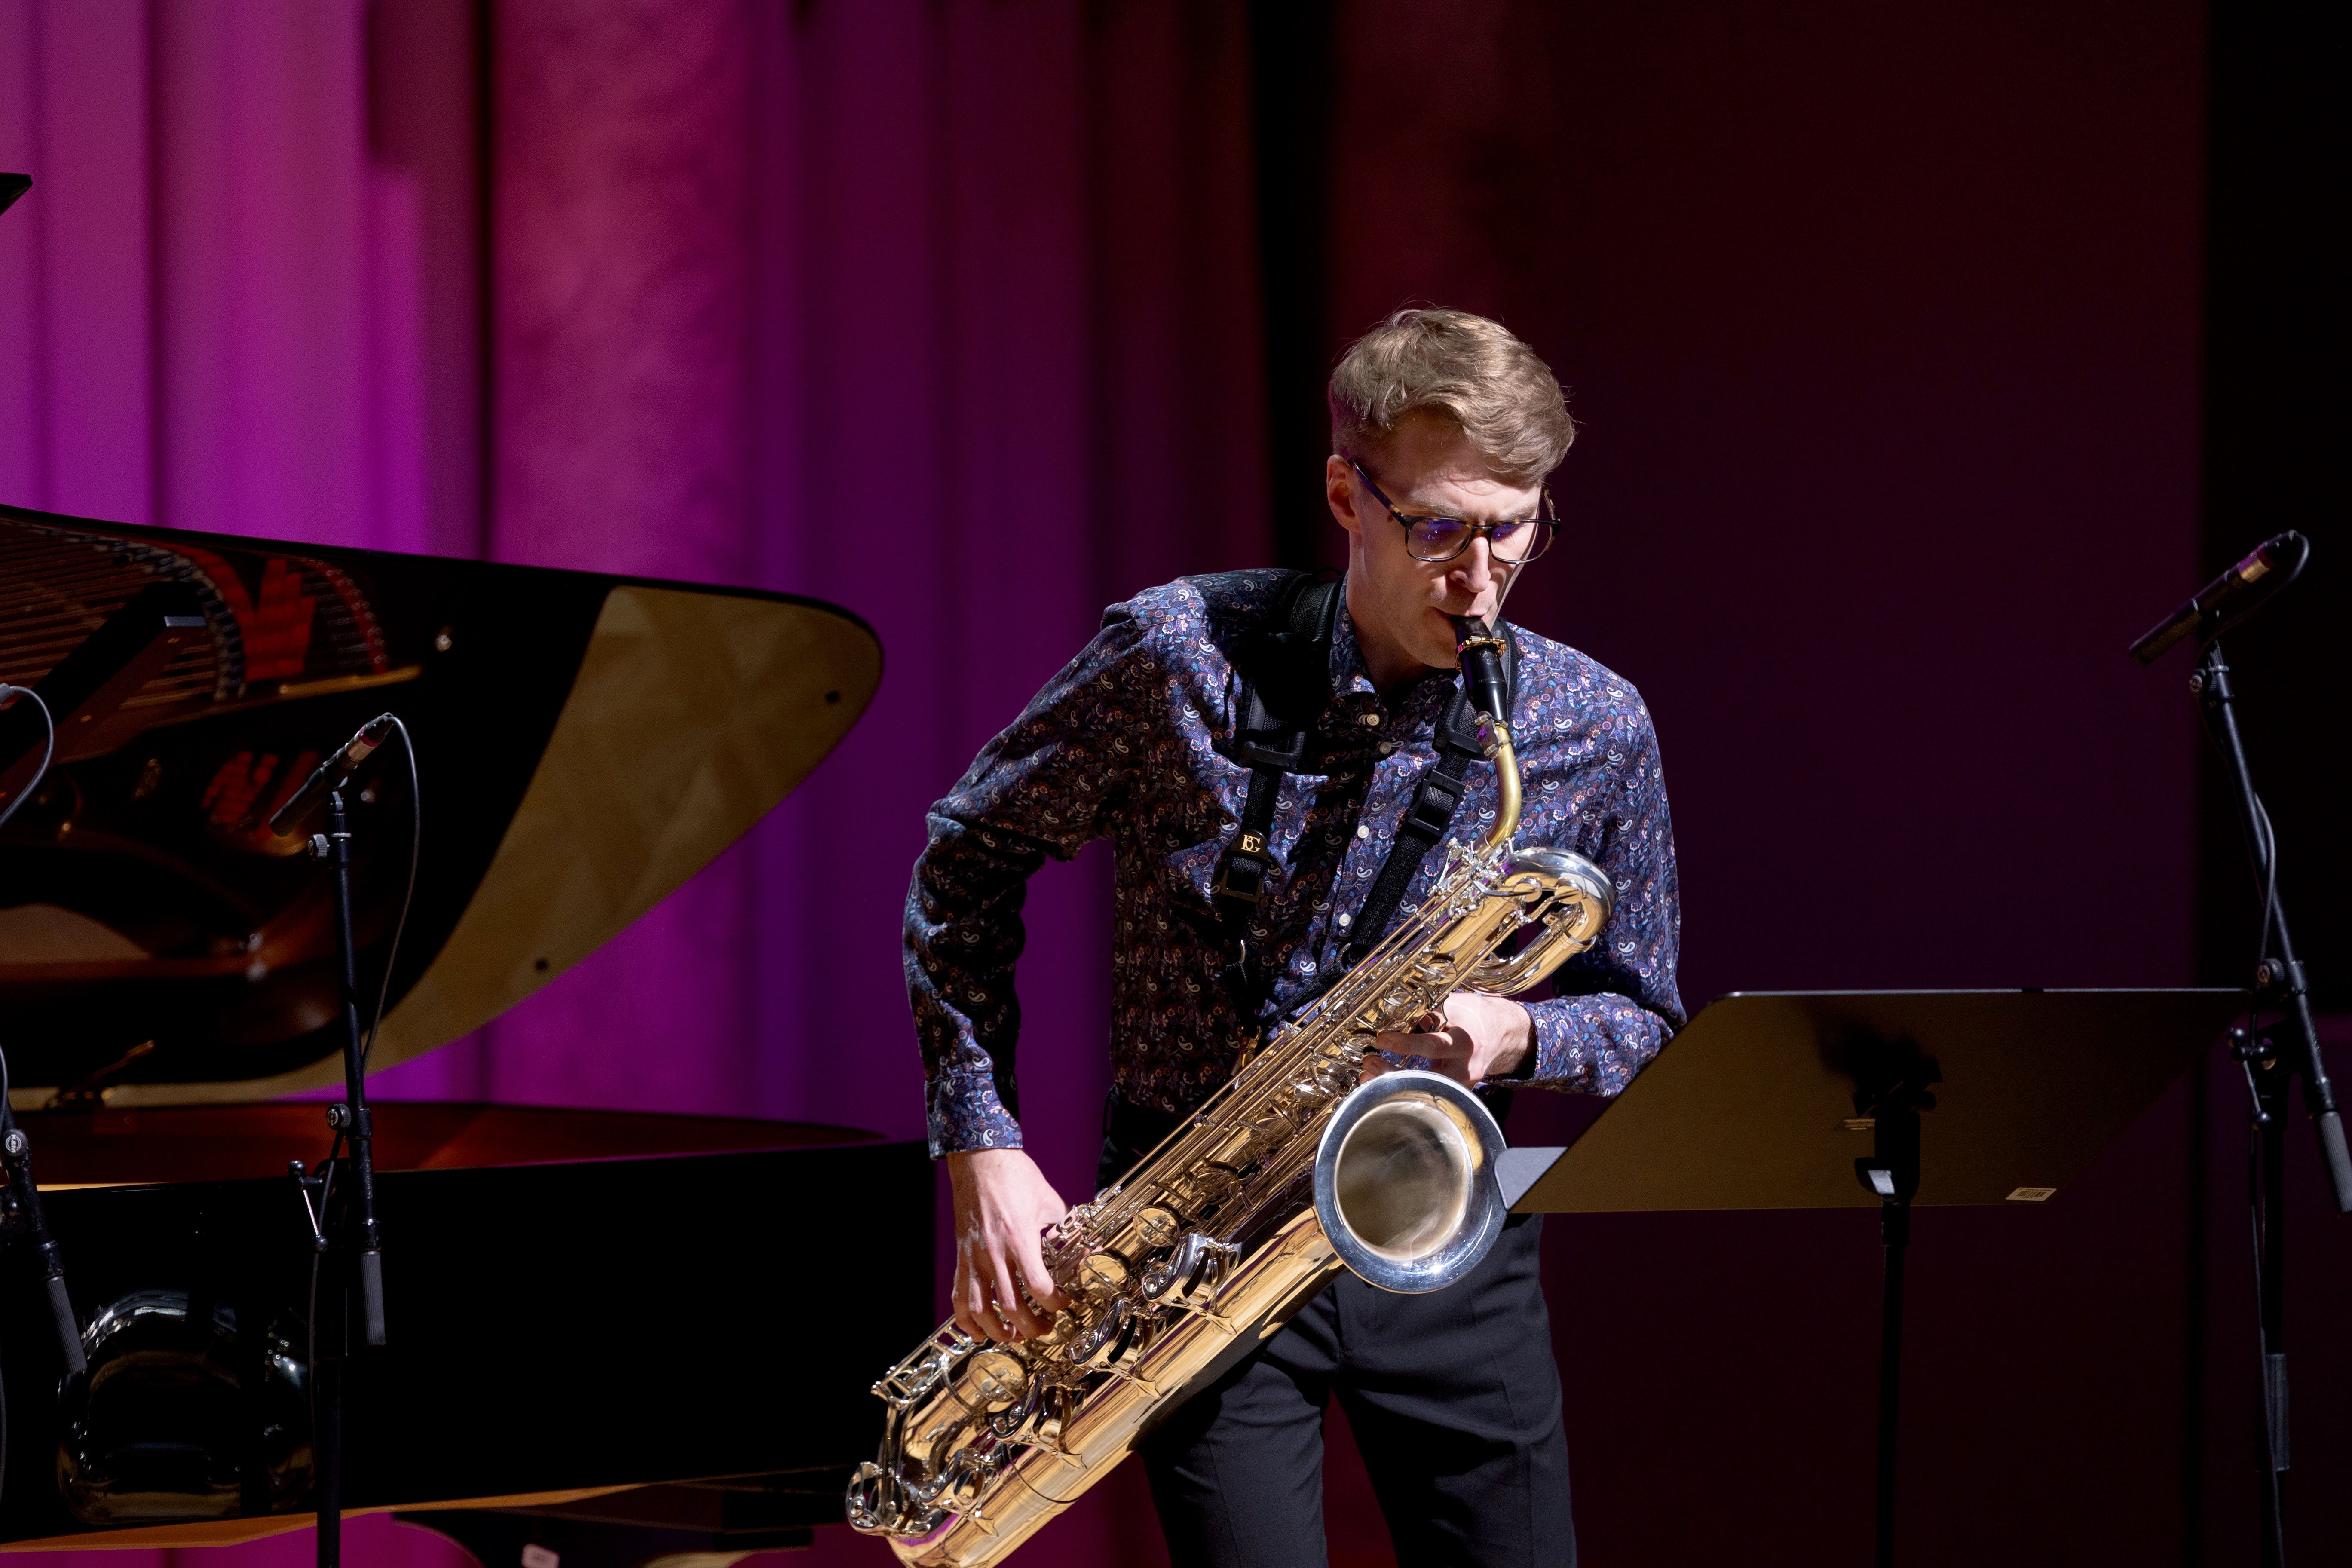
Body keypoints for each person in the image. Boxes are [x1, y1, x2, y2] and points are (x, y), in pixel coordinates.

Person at [905, 308, 1684, 1566]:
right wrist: (980, 1146)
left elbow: (1643, 1014)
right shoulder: (1174, 656)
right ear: (1346, 494)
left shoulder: (1591, 720)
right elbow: (962, 866)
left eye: (1514, 526)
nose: (1480, 578)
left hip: (1448, 1239)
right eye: (1438, 527)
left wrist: (1515, 1028)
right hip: (1193, 1251)